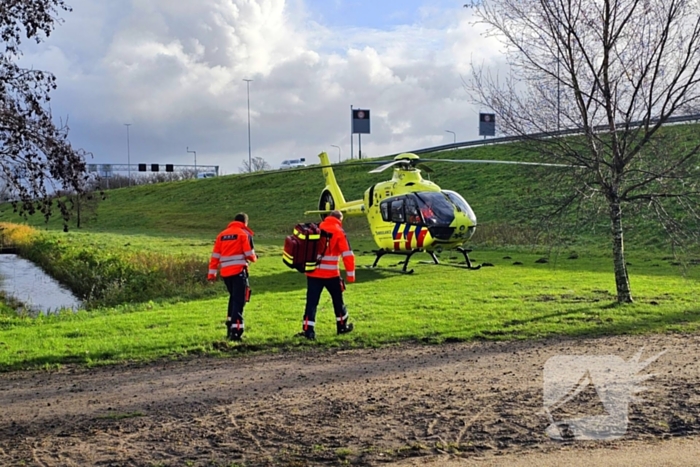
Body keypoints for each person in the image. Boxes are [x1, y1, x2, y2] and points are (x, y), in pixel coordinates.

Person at [297, 210, 355, 340]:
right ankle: (341, 327)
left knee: (311, 303)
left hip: (313, 273)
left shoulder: (317, 227)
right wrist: (351, 275)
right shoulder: (339, 232)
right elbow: (347, 255)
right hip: (331, 274)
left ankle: (308, 331)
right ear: (340, 219)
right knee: (338, 301)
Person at [208, 213, 257, 341]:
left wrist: (212, 274)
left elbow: (215, 257)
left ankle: (230, 326)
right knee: (239, 301)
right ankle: (236, 331)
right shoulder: (243, 234)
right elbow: (249, 255)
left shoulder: (222, 235)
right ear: (245, 223)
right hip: (239, 272)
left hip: (225, 273)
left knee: (233, 299)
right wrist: (254, 258)